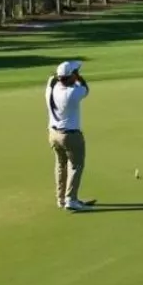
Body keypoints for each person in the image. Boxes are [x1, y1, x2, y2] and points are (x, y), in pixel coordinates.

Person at [46, 60, 92, 211]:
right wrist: (78, 76)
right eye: (75, 73)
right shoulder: (73, 93)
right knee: (76, 166)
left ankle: (61, 198)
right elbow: (86, 88)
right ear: (71, 76)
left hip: (53, 134)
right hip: (70, 136)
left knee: (61, 165)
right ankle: (71, 199)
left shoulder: (51, 88)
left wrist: (66, 74)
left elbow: (53, 79)